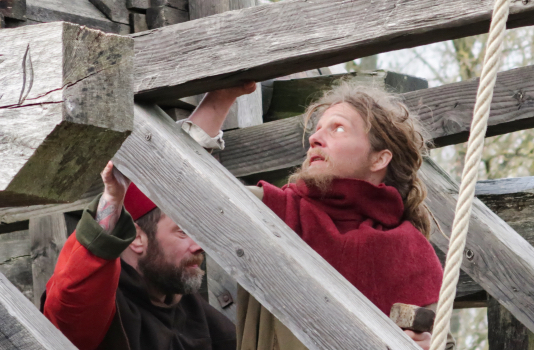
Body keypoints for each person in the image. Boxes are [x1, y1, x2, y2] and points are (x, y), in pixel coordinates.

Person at [188, 82, 450, 350]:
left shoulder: (412, 251)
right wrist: (221, 98)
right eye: (318, 129)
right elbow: (183, 187)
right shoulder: (272, 211)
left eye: (338, 128)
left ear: (379, 159)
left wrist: (427, 345)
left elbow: (440, 340)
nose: (314, 138)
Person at [40, 87, 254, 350]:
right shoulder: (103, 306)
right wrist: (112, 200)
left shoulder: (191, 310)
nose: (200, 245)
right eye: (183, 231)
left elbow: (174, 171)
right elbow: (72, 299)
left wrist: (224, 95)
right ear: (136, 238)